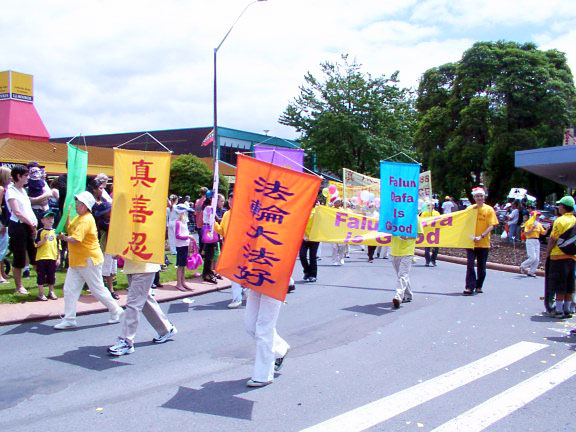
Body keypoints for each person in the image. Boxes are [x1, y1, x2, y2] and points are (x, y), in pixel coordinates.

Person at [53, 191, 123, 329]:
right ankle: (69, 319)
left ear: (85, 205)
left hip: (88, 260)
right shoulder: (79, 218)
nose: (76, 205)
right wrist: (66, 216)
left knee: (97, 289)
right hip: (78, 261)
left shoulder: (86, 219)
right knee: (69, 290)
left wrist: (64, 238)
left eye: (79, 203)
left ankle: (115, 309)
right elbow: (70, 229)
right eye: (76, 202)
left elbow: (76, 239)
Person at [107, 257, 177, 356]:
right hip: (134, 265)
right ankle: (166, 329)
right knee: (144, 300)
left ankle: (126, 341)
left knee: (133, 304)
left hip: (144, 266)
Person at [244, 284, 290, 387]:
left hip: (274, 284)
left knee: (264, 329)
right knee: (250, 326)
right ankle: (281, 348)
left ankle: (263, 376)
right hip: (256, 282)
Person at [6, 165, 38, 295]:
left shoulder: (23, 191)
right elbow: (17, 211)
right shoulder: (11, 191)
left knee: (34, 253)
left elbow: (28, 209)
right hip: (18, 226)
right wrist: (30, 223)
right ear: (18, 176)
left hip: (28, 226)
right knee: (19, 257)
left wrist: (34, 222)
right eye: (25, 175)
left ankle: (43, 280)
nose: (28, 177)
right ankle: (19, 286)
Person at [463, 187, 499, 296]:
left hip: (483, 243)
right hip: (471, 243)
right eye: (477, 196)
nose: (479, 198)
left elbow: (492, 225)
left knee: (481, 267)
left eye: (481, 196)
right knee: (470, 265)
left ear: (484, 197)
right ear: (474, 198)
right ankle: (469, 287)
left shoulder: (489, 209)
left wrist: (482, 236)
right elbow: (463, 222)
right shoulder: (469, 209)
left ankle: (479, 286)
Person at [545, 196, 575, 319]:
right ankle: (567, 309)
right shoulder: (575, 220)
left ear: (563, 207)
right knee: (569, 284)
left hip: (558, 256)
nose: (558, 208)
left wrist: (548, 252)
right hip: (572, 257)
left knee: (559, 284)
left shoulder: (560, 220)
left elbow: (553, 239)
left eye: (560, 205)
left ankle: (558, 310)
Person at [90, 179, 119, 300]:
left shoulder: (110, 221)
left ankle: (109, 288)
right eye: (100, 188)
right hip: (103, 245)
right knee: (104, 268)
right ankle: (107, 289)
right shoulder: (103, 223)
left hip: (110, 246)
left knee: (110, 268)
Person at [215, 193, 244, 308]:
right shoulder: (226, 214)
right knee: (234, 274)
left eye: (234, 199)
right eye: (230, 199)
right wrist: (213, 223)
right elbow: (222, 231)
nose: (231, 202)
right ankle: (238, 296)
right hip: (230, 247)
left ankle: (240, 295)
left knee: (240, 273)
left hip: (241, 248)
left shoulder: (243, 214)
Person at [390, 219, 424, 309]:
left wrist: (408, 237)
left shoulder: (415, 217)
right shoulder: (394, 216)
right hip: (394, 251)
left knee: (402, 275)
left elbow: (420, 234)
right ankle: (408, 295)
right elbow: (387, 228)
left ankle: (398, 296)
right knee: (402, 275)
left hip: (407, 252)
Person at [34, 210, 60, 301]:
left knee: (51, 276)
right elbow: (36, 244)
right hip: (42, 258)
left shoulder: (56, 232)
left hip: (52, 257)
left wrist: (58, 258)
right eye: (48, 218)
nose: (50, 220)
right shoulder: (40, 231)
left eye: (52, 218)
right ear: (42, 221)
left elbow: (58, 246)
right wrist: (43, 241)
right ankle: (41, 293)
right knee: (41, 276)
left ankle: (51, 291)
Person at [174, 204, 195, 291]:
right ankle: (179, 283)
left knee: (183, 265)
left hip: (184, 245)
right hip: (181, 246)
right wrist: (188, 237)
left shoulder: (183, 222)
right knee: (180, 265)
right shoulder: (178, 222)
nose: (186, 214)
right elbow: (177, 235)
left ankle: (183, 282)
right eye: (185, 212)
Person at [520, 211, 546, 277]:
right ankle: (523, 266)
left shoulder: (539, 224)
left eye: (538, 215)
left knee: (537, 259)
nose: (537, 217)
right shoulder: (528, 223)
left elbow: (543, 233)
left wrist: (547, 229)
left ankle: (531, 272)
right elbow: (525, 233)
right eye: (536, 215)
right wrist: (532, 229)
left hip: (536, 241)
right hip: (530, 240)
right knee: (532, 257)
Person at [201, 192, 219, 283]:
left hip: (209, 229)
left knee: (211, 253)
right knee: (209, 253)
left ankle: (209, 272)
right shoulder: (209, 208)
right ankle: (206, 274)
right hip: (208, 229)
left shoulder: (208, 207)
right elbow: (214, 218)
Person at [299, 205, 319, 282]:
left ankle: (313, 275)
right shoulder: (302, 209)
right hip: (303, 237)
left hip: (314, 237)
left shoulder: (318, 210)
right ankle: (307, 271)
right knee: (302, 255)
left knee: (312, 257)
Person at [0, 166, 12, 283]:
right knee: (1, 249)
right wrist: (3, 223)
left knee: (3, 250)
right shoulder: (2, 190)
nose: (11, 178)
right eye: (9, 176)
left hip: (4, 221)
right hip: (2, 222)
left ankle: (2, 272)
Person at [420, 201, 440, 266]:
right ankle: (427, 261)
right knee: (427, 248)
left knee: (436, 248)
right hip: (427, 232)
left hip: (435, 232)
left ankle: (433, 260)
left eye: (431, 205)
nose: (430, 206)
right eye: (428, 205)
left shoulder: (437, 213)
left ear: (434, 206)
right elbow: (421, 221)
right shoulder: (424, 213)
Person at [330, 198, 346, 266]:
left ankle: (341, 258)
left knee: (342, 246)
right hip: (333, 231)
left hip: (341, 231)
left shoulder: (343, 210)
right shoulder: (330, 210)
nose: (339, 203)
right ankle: (334, 260)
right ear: (334, 203)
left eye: (340, 202)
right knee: (334, 247)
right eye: (338, 202)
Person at [194, 187, 208, 254]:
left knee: (200, 239)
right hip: (205, 223)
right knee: (206, 240)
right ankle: (204, 253)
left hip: (198, 222)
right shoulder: (207, 201)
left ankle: (200, 253)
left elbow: (195, 213)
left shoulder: (197, 201)